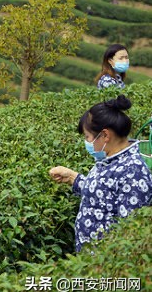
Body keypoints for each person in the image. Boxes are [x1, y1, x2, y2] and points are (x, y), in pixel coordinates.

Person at [49, 95, 152, 252]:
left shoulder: (134, 173)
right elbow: (102, 195)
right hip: (88, 262)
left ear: (105, 135)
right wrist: (72, 178)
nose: (87, 142)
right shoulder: (109, 159)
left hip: (106, 267)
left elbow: (131, 233)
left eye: (88, 137)